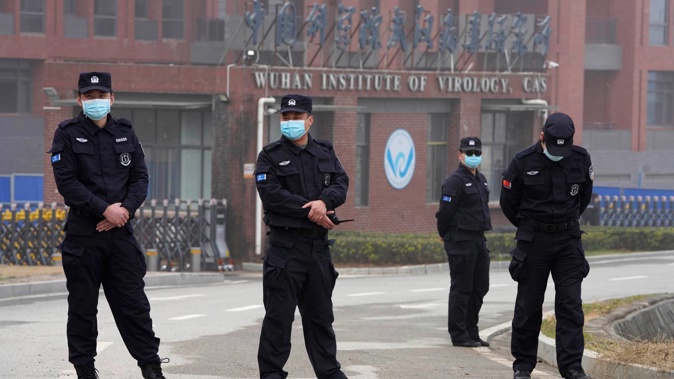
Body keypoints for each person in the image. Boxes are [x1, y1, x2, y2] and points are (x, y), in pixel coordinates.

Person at [49, 72, 167, 379]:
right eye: (89, 96)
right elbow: (67, 184)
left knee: (134, 307)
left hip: (120, 236)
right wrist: (104, 209)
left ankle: (151, 368)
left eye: (101, 95)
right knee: (82, 309)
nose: (95, 101)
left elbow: (140, 177)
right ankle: (85, 370)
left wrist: (124, 211)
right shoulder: (66, 133)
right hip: (83, 235)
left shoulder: (125, 132)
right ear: (80, 100)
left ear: (112, 98)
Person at [254, 94, 349, 379]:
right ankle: (271, 373)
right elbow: (271, 195)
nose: (290, 122)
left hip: (318, 249)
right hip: (285, 248)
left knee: (321, 316)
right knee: (278, 317)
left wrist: (325, 202)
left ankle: (329, 372)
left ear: (309, 120)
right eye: (286, 117)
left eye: (296, 117)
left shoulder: (325, 152)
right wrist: (312, 210)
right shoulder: (269, 155)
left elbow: (341, 183)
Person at [500, 113, 594, 379]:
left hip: (567, 241)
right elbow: (508, 203)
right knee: (529, 305)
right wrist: (531, 226)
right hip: (534, 242)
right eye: (553, 146)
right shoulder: (522, 161)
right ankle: (523, 365)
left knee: (570, 305)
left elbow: (583, 197)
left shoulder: (580, 158)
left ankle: (572, 367)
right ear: (542, 137)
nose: (558, 153)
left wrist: (564, 222)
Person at [435, 137, 492, 348]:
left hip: (478, 238)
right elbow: (445, 212)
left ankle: (471, 331)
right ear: (459, 155)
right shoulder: (455, 181)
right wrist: (443, 233)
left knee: (480, 286)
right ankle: (459, 334)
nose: (474, 157)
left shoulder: (481, 180)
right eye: (469, 153)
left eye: (477, 153)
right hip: (460, 239)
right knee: (462, 288)